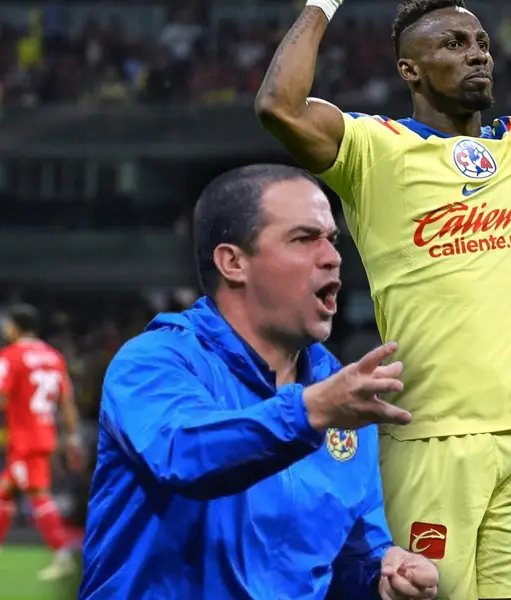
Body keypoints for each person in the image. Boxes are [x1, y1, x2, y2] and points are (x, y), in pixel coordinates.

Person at [255, 0, 511, 596]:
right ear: (409, 71)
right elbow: (280, 107)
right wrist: (322, 6)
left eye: (480, 42)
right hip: (431, 440)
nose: (476, 52)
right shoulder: (376, 150)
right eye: (452, 44)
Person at [79, 165, 438, 599]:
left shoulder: (339, 389)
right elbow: (183, 454)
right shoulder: (155, 363)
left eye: (332, 239)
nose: (332, 256)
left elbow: (349, 553)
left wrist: (382, 574)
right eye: (305, 239)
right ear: (233, 262)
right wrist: (309, 412)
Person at [0, 303, 83, 581]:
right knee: (5, 493)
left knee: (38, 495)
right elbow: (67, 402)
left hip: (24, 439)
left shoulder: (11, 356)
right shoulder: (53, 356)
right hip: (44, 434)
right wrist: (72, 439)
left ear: (14, 326)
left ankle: (62, 556)